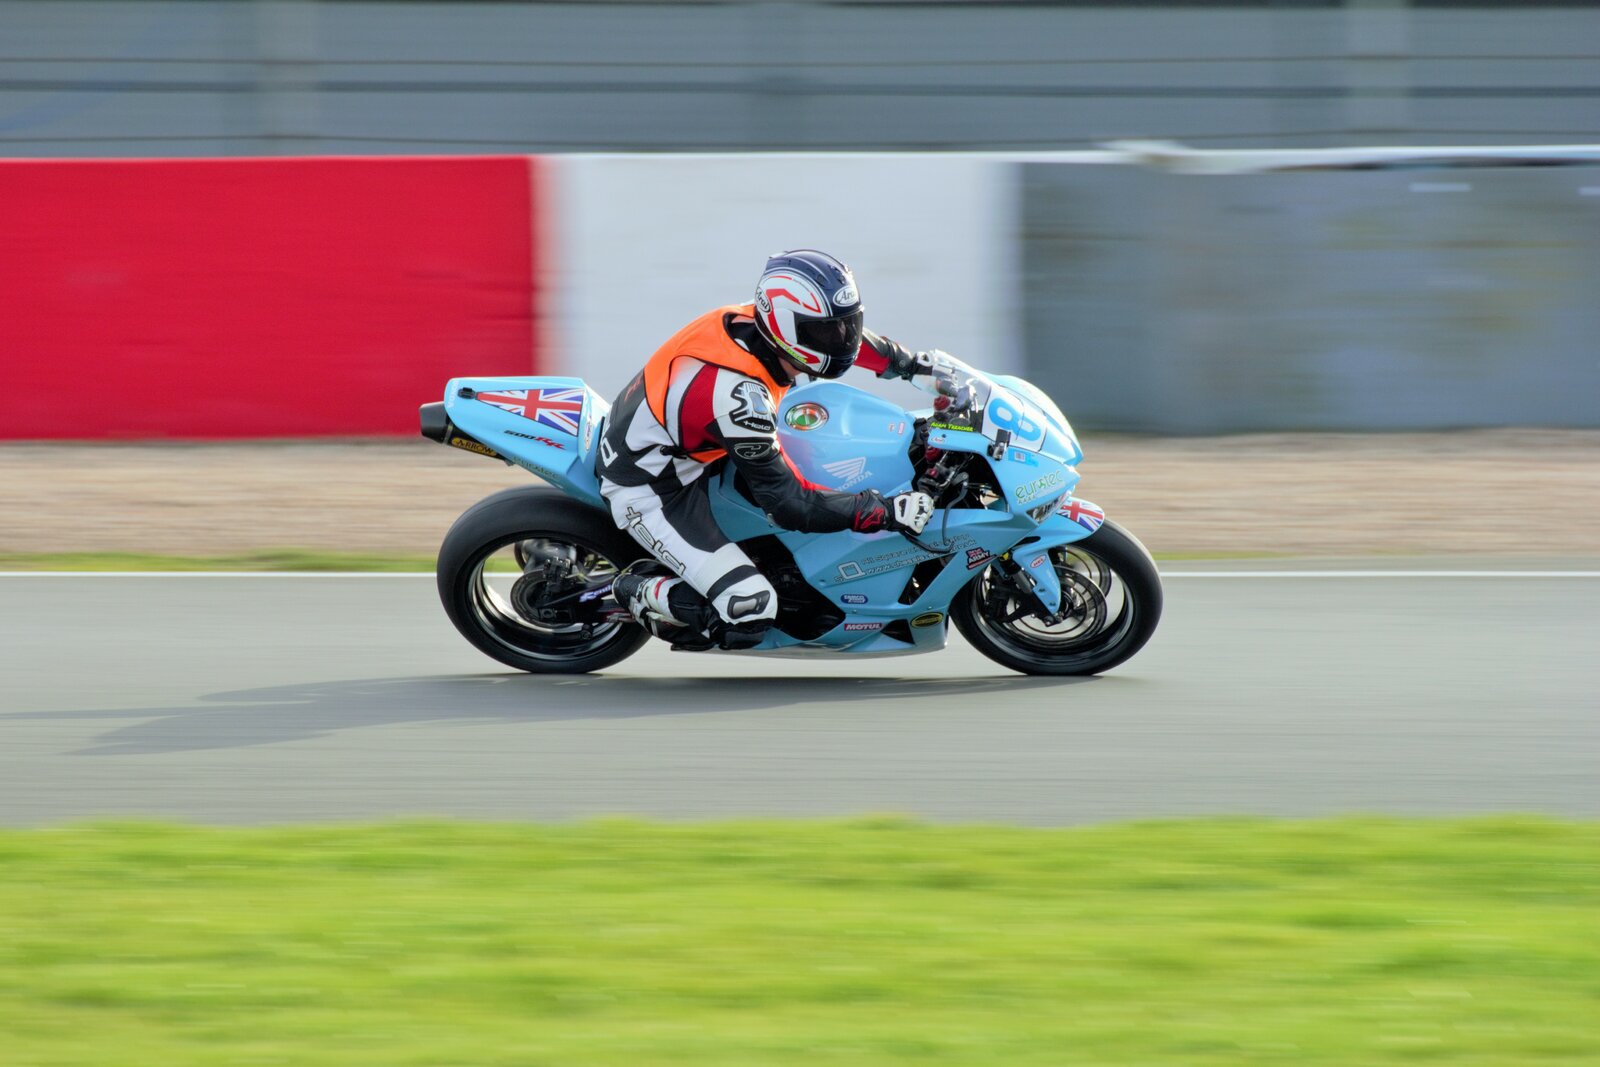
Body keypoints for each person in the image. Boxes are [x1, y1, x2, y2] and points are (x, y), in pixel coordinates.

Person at [598, 248, 940, 649]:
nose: (843, 339)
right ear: (788, 330)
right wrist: (882, 511)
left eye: (847, 324)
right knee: (749, 609)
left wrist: (917, 367)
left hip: (694, 448)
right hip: (655, 488)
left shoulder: (765, 325)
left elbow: (852, 345)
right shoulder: (738, 398)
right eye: (828, 332)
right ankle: (634, 588)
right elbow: (790, 505)